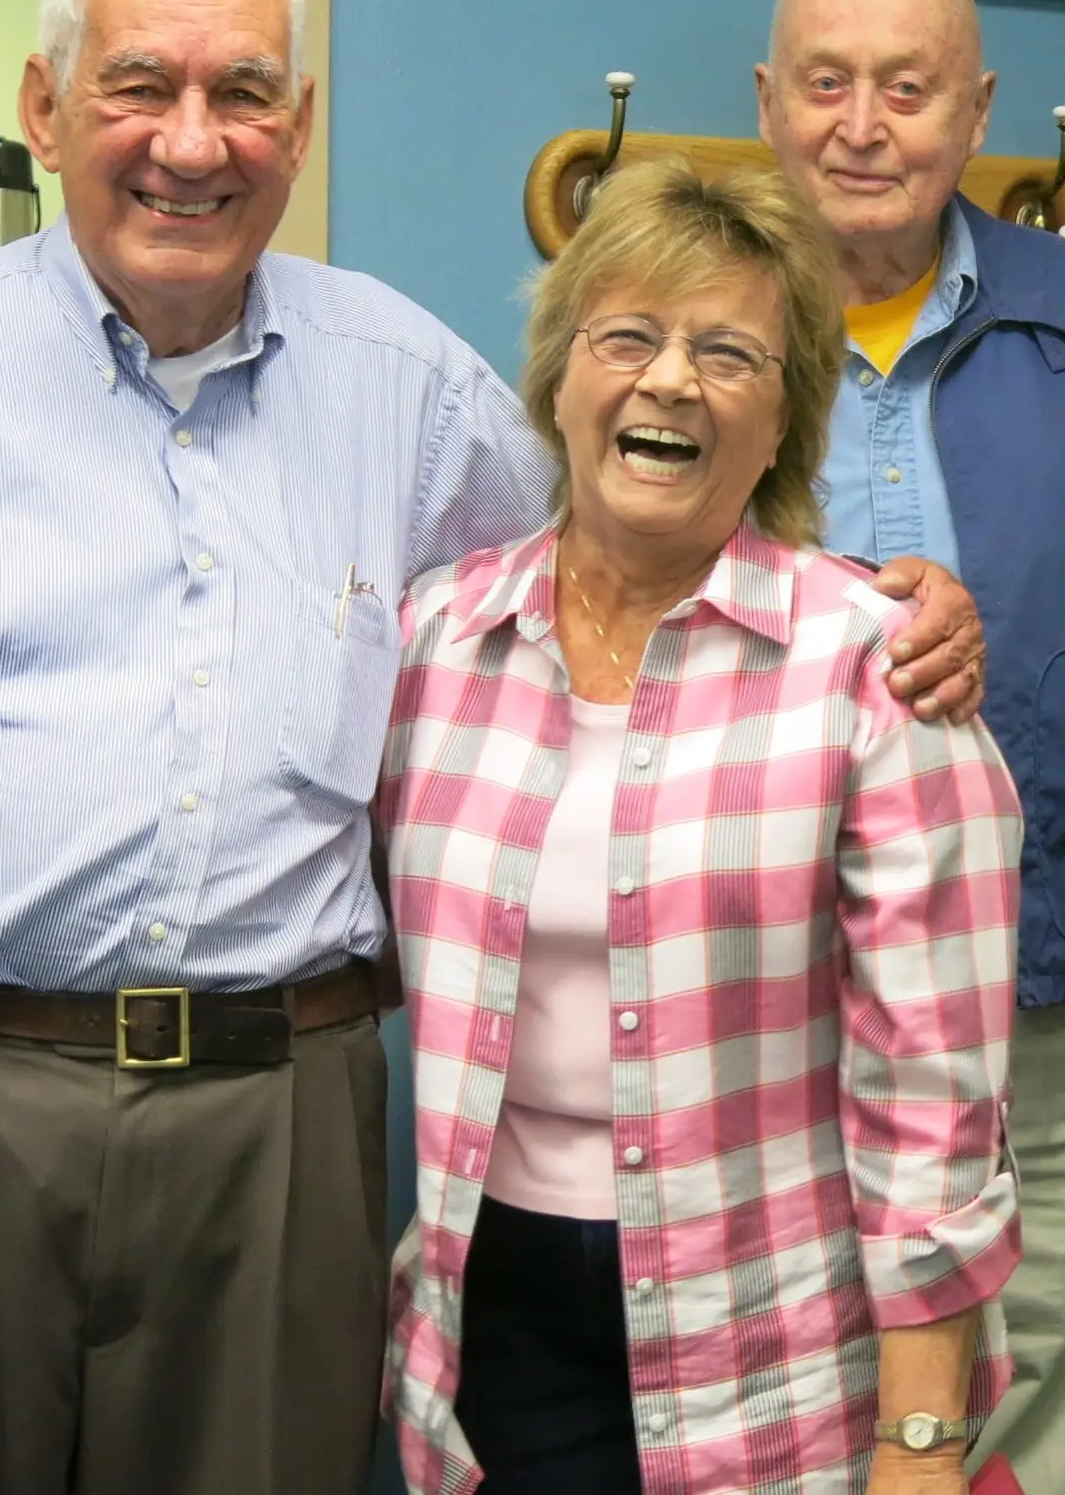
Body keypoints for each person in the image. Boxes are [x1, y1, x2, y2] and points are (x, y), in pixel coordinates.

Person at [0, 0, 983, 1494]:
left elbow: (637, 528)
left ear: (298, 126)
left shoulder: (409, 386)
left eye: (244, 92)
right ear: (44, 107)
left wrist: (888, 595)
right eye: (139, 86)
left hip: (275, 1128)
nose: (193, 140)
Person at [378, 159, 1023, 1495]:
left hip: (776, 1353)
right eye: (627, 337)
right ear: (559, 379)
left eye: (727, 353)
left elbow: (935, 1111)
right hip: (492, 1327)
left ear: (782, 416)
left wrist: (917, 1448)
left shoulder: (875, 671)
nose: (669, 379)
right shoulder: (436, 641)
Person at [754, 0, 1065, 1495]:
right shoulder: (690, 331)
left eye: (907, 87)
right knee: (795, 1411)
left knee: (1041, 1410)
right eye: (826, 82)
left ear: (976, 111)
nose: (863, 124)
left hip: (1051, 1009)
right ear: (767, 102)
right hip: (763, 1010)